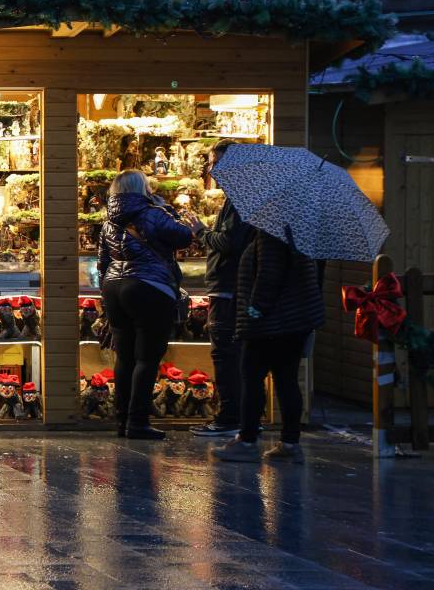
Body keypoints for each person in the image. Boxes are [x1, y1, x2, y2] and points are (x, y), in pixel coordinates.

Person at [213, 230, 324, 463]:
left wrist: (255, 309)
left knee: (251, 377)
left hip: (271, 322)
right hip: (295, 320)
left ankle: (247, 441)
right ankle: (290, 443)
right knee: (286, 380)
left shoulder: (272, 234)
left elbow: (269, 275)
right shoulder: (300, 233)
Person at [97, 169, 193, 440]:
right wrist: (167, 209)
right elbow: (184, 236)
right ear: (143, 188)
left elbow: (103, 261)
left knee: (124, 357)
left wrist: (106, 294)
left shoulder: (108, 221)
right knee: (147, 358)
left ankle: (121, 421)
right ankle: (138, 422)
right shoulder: (154, 213)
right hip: (149, 287)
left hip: (114, 288)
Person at [185, 140, 252, 438]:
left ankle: (230, 418)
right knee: (233, 354)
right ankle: (242, 416)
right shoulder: (240, 198)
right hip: (232, 286)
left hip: (228, 287)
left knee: (225, 354)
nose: (211, 169)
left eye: (216, 162)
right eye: (211, 162)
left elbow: (228, 243)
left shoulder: (240, 200)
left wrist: (201, 232)